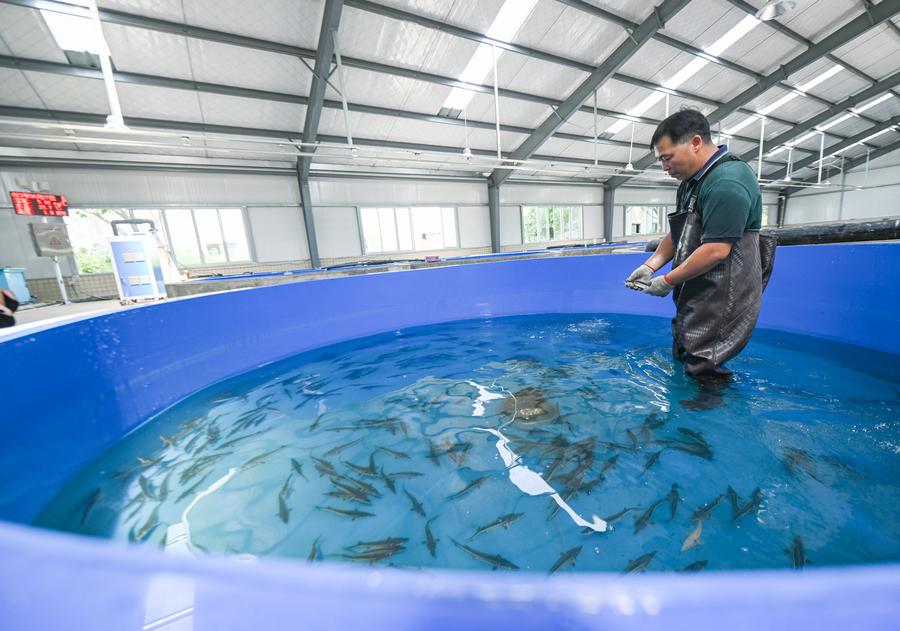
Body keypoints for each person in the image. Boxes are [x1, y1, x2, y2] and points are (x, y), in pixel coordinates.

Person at [625, 108, 775, 381]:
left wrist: (667, 280)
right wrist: (650, 266)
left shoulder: (727, 181)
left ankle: (703, 420)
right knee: (686, 351)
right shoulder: (691, 183)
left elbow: (717, 249)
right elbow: (677, 234)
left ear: (695, 143)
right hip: (698, 288)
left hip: (724, 292)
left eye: (667, 158)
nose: (664, 166)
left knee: (705, 364)